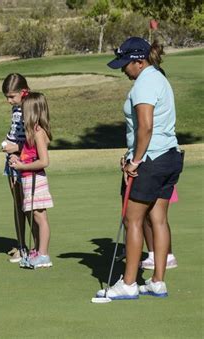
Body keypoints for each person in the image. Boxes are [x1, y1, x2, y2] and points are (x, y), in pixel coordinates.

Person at [97, 37, 183, 300]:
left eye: (126, 64)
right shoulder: (158, 77)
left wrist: (134, 160)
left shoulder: (144, 83)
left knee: (132, 219)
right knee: (158, 219)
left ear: (138, 61)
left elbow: (145, 126)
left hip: (150, 160)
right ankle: (157, 282)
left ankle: (130, 283)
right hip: (169, 156)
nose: (123, 69)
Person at [9, 92, 54, 269]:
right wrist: (18, 160)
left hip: (36, 179)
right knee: (35, 216)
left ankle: (43, 254)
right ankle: (38, 251)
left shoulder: (38, 132)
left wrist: (21, 167)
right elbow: (30, 156)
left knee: (40, 217)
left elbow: (44, 161)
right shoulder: (31, 132)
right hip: (28, 178)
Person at [1, 73, 33, 263]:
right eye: (7, 96)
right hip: (12, 161)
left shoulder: (31, 108)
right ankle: (21, 245)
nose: (9, 100)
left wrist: (17, 148)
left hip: (26, 161)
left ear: (23, 91)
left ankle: (36, 247)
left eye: (12, 96)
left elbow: (35, 140)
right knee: (17, 205)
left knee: (29, 205)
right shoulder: (16, 108)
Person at [141, 185, 179, 269]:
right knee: (149, 216)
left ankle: (165, 257)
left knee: (157, 217)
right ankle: (158, 256)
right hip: (156, 178)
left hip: (155, 179)